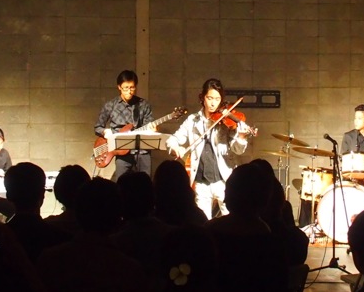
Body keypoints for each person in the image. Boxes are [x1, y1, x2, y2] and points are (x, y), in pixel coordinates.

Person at [166, 78, 252, 219]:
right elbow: (172, 140)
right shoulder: (193, 120)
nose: (213, 103)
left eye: (217, 99)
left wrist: (241, 137)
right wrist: (176, 148)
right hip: (201, 181)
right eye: (209, 98)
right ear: (202, 98)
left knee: (230, 220)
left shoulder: (225, 121)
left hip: (224, 179)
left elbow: (238, 150)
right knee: (203, 222)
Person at [94, 70, 156, 179]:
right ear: (119, 87)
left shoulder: (144, 105)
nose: (129, 91)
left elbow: (149, 126)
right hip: (121, 152)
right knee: (121, 182)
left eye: (132, 88)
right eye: (126, 88)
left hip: (142, 151)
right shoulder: (110, 105)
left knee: (145, 182)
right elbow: (98, 127)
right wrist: (105, 131)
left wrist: (152, 130)